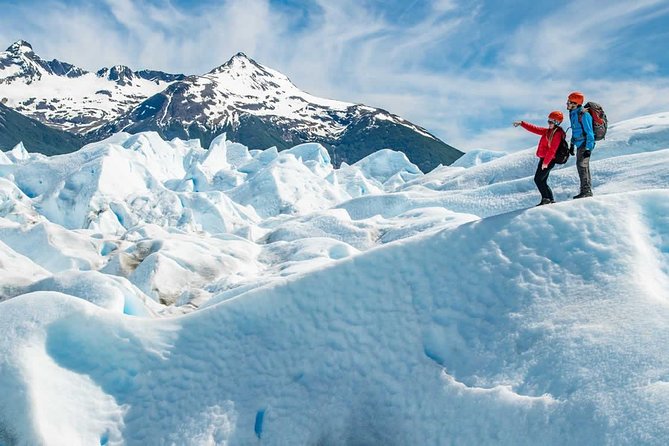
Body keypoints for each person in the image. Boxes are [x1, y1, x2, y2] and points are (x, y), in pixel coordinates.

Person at [513, 111, 566, 206]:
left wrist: (545, 163)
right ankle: (550, 199)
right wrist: (522, 123)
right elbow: (535, 129)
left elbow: (552, 150)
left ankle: (546, 199)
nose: (549, 123)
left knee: (538, 179)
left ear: (557, 122)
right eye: (549, 120)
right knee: (542, 180)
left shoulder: (557, 134)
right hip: (544, 159)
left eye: (552, 121)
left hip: (548, 160)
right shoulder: (547, 131)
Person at [566, 91, 595, 198]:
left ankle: (586, 191)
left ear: (575, 103)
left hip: (585, 144)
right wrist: (572, 144)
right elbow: (575, 130)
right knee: (582, 166)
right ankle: (586, 191)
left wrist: (588, 148)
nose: (567, 104)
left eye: (569, 102)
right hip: (579, 143)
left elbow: (590, 132)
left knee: (582, 165)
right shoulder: (573, 114)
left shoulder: (584, 114)